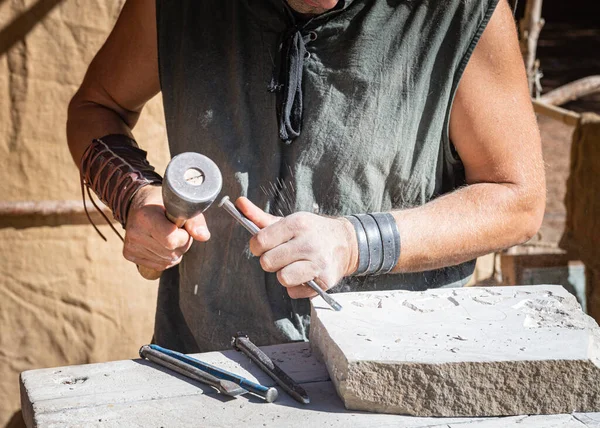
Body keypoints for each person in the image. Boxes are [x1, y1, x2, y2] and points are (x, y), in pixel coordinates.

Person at [67, 0, 546, 352]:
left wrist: (356, 242)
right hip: (207, 366)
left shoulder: (456, 13)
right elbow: (97, 107)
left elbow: (517, 199)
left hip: (394, 371)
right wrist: (134, 193)